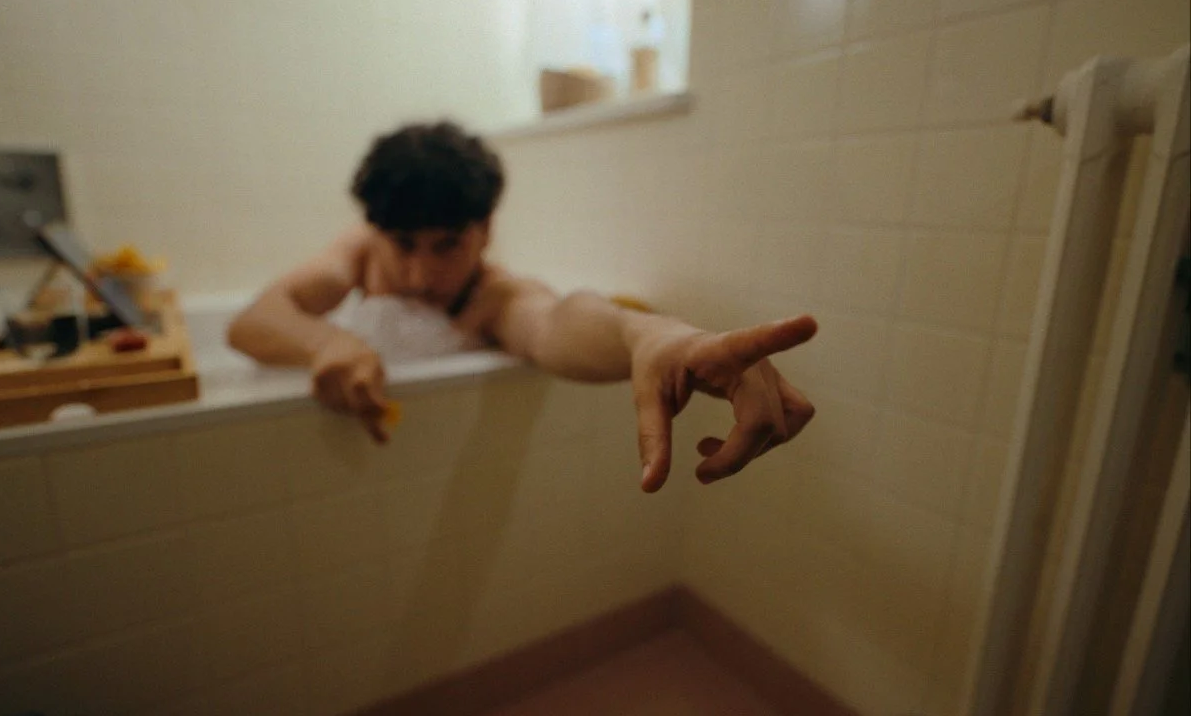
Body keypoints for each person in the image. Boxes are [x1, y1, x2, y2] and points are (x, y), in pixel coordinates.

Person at [227, 121, 817, 493]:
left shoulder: (492, 294)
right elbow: (254, 320)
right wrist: (328, 342)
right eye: (402, 245)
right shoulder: (355, 257)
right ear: (375, 230)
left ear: (484, 231)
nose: (419, 272)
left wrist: (648, 335)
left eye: (446, 245)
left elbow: (555, 322)